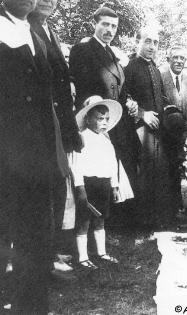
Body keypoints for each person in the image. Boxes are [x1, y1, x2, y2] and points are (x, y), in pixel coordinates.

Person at [0, 0, 69, 312]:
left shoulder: (37, 36)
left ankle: (32, 307)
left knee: (35, 241)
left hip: (36, 160)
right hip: (5, 158)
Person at [28, 0, 83, 275]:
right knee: (45, 192)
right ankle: (42, 258)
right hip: (40, 124)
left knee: (59, 187)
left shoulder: (51, 31)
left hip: (60, 122)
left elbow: (61, 77)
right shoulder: (27, 28)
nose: (49, 2)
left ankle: (50, 251)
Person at [69, 7, 140, 214]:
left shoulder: (114, 55)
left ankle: (115, 219)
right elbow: (74, 84)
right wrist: (88, 99)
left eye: (114, 26)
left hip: (117, 121)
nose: (110, 30)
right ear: (95, 24)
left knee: (115, 168)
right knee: (95, 174)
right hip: (95, 123)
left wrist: (131, 102)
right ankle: (94, 222)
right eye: (105, 24)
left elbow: (122, 91)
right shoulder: (82, 50)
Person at [72, 96, 133, 269]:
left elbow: (112, 164)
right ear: (88, 119)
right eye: (100, 119)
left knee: (101, 219)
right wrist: (80, 187)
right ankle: (83, 256)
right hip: (88, 183)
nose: (104, 123)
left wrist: (114, 186)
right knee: (84, 220)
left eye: (106, 119)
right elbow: (77, 166)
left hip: (103, 185)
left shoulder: (106, 141)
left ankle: (101, 252)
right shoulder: (81, 138)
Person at [124, 26, 174, 229]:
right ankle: (141, 222)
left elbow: (160, 98)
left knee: (158, 173)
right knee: (142, 175)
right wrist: (143, 114)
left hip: (157, 130)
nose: (152, 46)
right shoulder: (130, 68)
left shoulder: (155, 68)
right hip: (138, 130)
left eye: (156, 43)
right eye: (148, 41)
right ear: (138, 42)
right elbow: (125, 98)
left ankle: (157, 219)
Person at [160, 45, 187, 216]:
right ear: (169, 59)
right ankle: (172, 207)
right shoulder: (160, 77)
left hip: (185, 134)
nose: (179, 61)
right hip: (165, 133)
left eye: (182, 58)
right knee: (169, 170)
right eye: (175, 57)